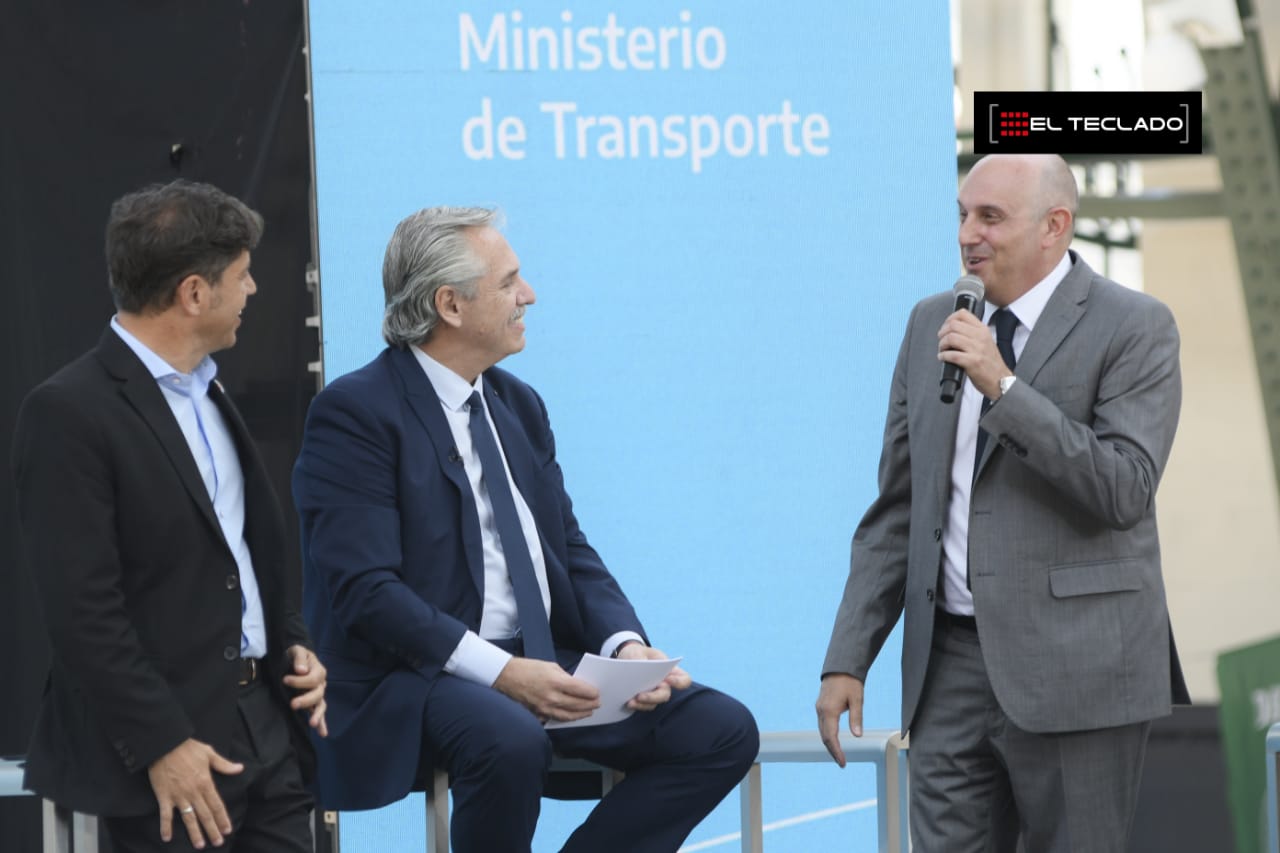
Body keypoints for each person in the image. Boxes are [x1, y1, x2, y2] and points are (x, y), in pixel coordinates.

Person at [293, 206, 758, 852]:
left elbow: (567, 548)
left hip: (536, 663)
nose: (529, 294)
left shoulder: (517, 404)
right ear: (450, 304)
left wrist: (625, 646)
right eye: (510, 281)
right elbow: (367, 593)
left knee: (721, 727)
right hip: (417, 678)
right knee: (507, 735)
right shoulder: (354, 413)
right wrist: (503, 675)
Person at [815, 154, 1190, 852]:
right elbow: (899, 509)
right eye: (963, 213)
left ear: (1055, 226)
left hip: (1079, 670)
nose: (968, 233)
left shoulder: (1136, 326)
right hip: (948, 665)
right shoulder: (932, 320)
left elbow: (1123, 487)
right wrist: (848, 655)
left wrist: (1004, 387)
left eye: (990, 216)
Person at [12, 180, 328, 852]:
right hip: (166, 758)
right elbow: (82, 610)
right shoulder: (67, 412)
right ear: (193, 292)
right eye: (242, 276)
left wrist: (292, 639)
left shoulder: (212, 391)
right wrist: (162, 742)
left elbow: (242, 554)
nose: (252, 292)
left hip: (264, 733)